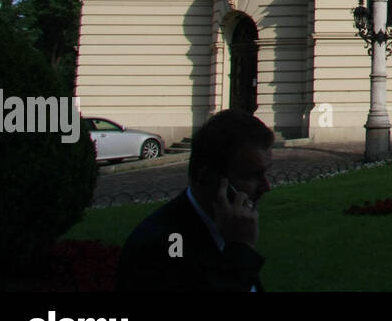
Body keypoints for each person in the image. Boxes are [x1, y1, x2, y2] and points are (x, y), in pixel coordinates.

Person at [116, 110, 274, 291]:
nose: (266, 186)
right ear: (208, 178)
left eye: (266, 172)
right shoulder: (156, 249)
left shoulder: (227, 229)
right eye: (252, 175)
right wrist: (241, 251)